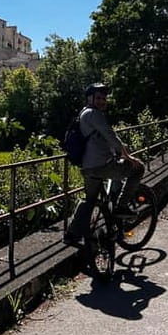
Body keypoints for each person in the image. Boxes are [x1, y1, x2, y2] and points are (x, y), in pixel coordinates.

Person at [63, 82, 145, 247]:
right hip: (102, 166)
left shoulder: (83, 114)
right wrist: (128, 156)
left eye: (104, 98)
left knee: (89, 200)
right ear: (89, 98)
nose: (102, 101)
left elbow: (98, 139)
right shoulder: (94, 114)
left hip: (87, 167)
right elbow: (110, 136)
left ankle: (71, 234)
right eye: (98, 98)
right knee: (138, 169)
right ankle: (121, 206)